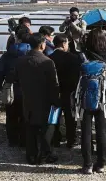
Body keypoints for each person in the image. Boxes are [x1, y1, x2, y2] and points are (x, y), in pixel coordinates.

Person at [14, 33, 60, 165]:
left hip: (27, 98)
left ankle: (31, 155)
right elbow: (53, 84)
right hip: (44, 99)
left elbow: (15, 78)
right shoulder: (47, 62)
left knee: (30, 127)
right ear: (41, 45)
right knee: (46, 127)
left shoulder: (21, 60)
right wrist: (56, 100)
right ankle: (45, 154)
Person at [79, 28, 106, 174]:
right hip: (102, 100)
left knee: (86, 132)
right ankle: (100, 164)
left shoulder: (82, 56)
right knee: (101, 132)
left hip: (85, 100)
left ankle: (87, 165)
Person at [0, 29, 31, 147]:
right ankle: (24, 141)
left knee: (11, 115)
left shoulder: (8, 54)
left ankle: (12, 140)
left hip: (11, 88)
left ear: (17, 38)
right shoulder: (32, 53)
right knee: (26, 115)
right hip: (28, 89)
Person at [49, 34, 85, 148]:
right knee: (70, 117)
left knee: (55, 116)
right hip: (69, 92)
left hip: (55, 91)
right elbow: (77, 77)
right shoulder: (73, 58)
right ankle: (71, 139)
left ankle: (55, 139)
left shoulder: (49, 58)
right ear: (64, 43)